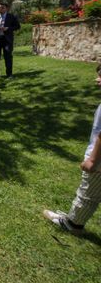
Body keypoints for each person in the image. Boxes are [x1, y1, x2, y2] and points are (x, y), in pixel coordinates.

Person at [43, 64, 101, 234]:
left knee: (87, 193)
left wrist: (92, 160)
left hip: (98, 160)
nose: (97, 80)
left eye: (100, 76)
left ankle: (74, 223)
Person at [0, 2, 21, 78]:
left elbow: (18, 26)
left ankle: (9, 74)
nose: (0, 9)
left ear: (6, 9)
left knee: (8, 57)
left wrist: (8, 28)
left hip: (6, 39)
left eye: (2, 7)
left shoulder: (11, 16)